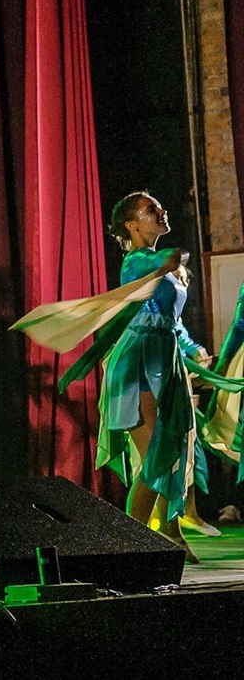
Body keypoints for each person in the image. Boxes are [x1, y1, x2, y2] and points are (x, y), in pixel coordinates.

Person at [95, 193, 211, 560]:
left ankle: (172, 533)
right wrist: (175, 259)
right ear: (132, 225)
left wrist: (193, 350)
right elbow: (168, 259)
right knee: (157, 459)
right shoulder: (136, 262)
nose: (161, 212)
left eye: (159, 207)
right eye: (151, 210)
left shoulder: (164, 268)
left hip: (165, 361)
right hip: (138, 364)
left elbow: (171, 321)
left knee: (172, 453)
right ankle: (131, 544)